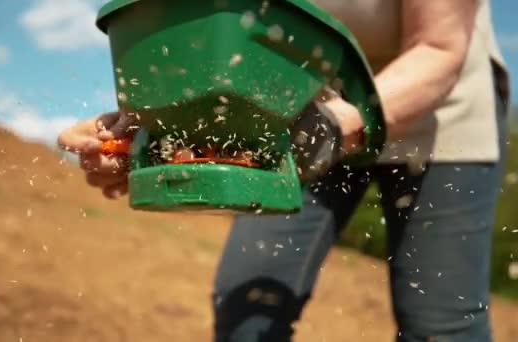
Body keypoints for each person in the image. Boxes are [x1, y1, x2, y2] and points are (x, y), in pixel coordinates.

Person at [57, 0, 511, 341]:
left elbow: (439, 46)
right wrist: (151, 124)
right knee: (246, 303)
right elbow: (223, 49)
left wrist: (335, 128)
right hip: (306, 103)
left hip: (438, 108)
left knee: (439, 322)